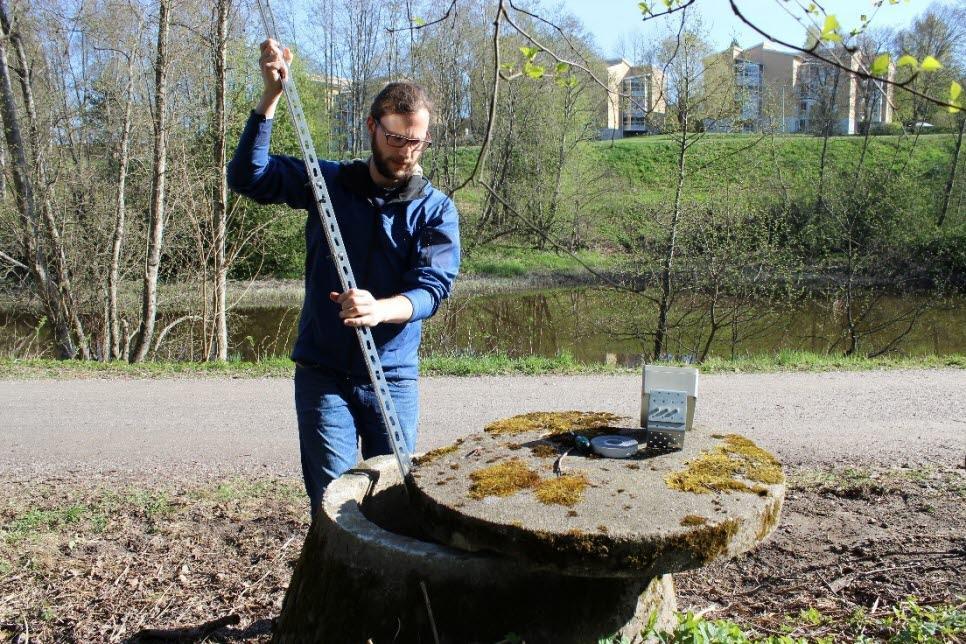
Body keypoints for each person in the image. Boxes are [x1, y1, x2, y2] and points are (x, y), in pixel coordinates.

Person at [227, 39, 460, 517]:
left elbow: (433, 289)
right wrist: (270, 96)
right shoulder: (328, 181)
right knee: (335, 508)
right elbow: (247, 177)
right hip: (324, 374)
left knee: (397, 503)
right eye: (396, 139)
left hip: (392, 378)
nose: (407, 152)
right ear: (373, 127)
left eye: (417, 141)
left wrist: (382, 308)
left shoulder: (436, 209)